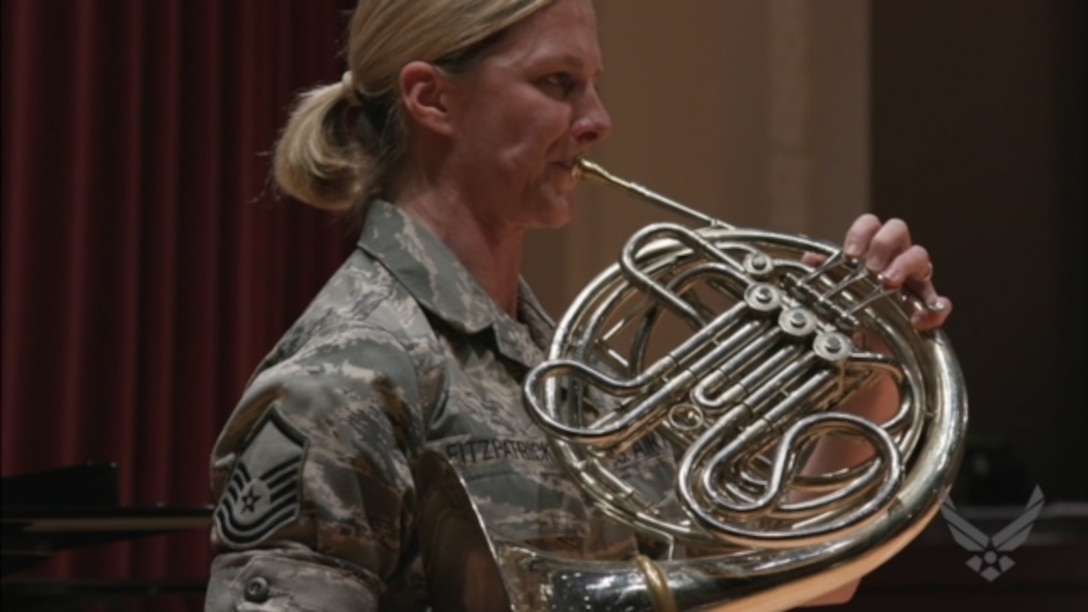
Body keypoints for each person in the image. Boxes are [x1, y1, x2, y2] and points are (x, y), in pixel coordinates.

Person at [203, 0, 953, 610]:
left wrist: (865, 365)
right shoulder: (341, 379)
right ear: (432, 98)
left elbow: (789, 580)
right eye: (558, 83)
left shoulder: (570, 370)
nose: (598, 121)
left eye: (592, 83)